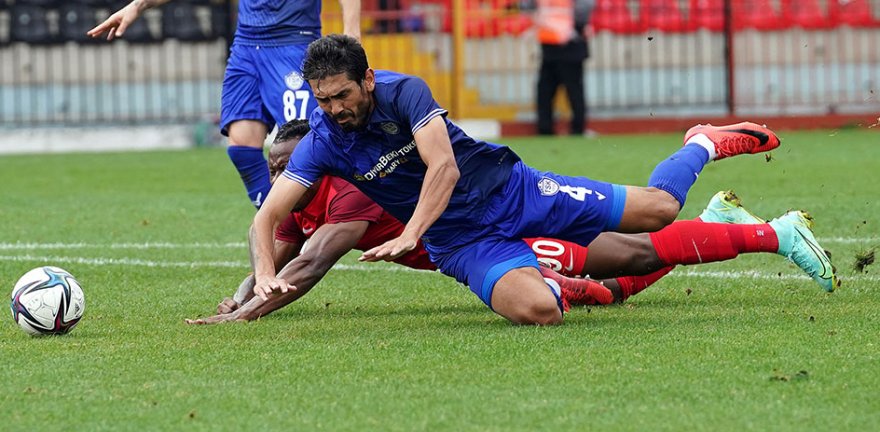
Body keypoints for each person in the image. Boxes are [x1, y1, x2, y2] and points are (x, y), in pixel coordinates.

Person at [250, 34, 831, 326]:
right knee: (539, 312)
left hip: (515, 193)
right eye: (323, 101)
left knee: (655, 212)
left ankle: (701, 141)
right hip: (465, 243)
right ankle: (558, 279)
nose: (333, 109)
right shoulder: (324, 141)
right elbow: (268, 218)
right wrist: (262, 276)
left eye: (342, 96)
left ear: (368, 80)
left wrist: (410, 234)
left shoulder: (405, 93)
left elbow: (443, 167)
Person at [185, 120, 837, 324]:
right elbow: (271, 257)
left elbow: (306, 266)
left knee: (633, 258)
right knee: (618, 270)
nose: (277, 180)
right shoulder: (302, 196)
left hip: (502, 222)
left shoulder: (354, 192)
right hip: (477, 246)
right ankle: (731, 222)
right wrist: (242, 295)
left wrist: (238, 321)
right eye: (274, 170)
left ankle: (760, 220)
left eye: (286, 167)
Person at [87, 0, 361, 209]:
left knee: (304, 147)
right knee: (242, 147)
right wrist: (139, 5)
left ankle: (342, 216)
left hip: (292, 41)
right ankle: (281, 226)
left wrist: (352, 33)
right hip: (246, 45)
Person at [535, 0, 594, 135]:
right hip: (551, 46)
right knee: (546, 91)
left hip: (571, 47)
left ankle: (577, 128)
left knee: (572, 92)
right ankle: (545, 128)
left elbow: (583, 10)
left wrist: (576, 27)